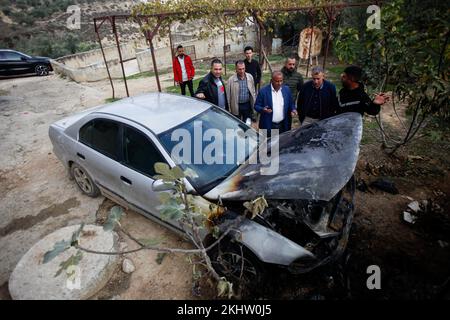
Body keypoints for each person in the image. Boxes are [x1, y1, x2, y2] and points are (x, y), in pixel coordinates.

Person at [254, 71, 297, 136]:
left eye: (281, 81)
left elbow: (291, 103)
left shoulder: (286, 89)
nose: (279, 83)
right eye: (277, 81)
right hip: (268, 125)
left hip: (283, 125)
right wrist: (263, 109)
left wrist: (293, 109)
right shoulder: (263, 91)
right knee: (268, 145)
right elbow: (256, 106)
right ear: (271, 81)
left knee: (281, 144)